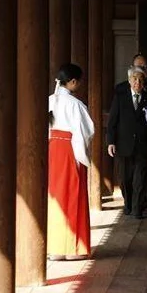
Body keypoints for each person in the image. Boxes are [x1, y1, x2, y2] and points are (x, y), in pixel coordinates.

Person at [47, 63, 95, 261]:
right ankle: (73, 248)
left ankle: (55, 248)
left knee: (54, 197)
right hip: (69, 149)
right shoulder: (76, 105)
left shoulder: (49, 101)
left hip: (52, 149)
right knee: (72, 194)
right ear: (73, 82)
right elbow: (87, 131)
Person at [107, 66, 147, 219]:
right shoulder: (120, 97)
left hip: (144, 145)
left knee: (140, 179)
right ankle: (128, 204)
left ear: (144, 81)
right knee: (125, 179)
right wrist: (111, 142)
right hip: (124, 145)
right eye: (134, 79)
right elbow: (112, 121)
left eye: (140, 79)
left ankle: (137, 209)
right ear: (129, 80)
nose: (137, 82)